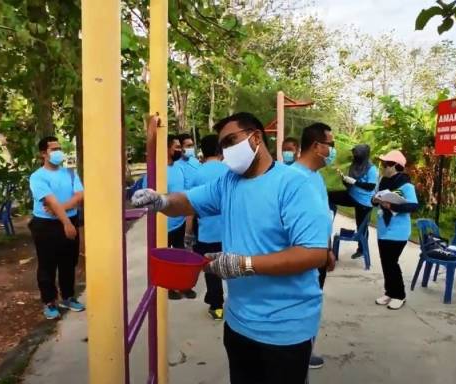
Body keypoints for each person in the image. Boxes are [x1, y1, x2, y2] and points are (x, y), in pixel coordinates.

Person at [132, 112, 331, 384]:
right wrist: (162, 202)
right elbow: (188, 201)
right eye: (222, 146)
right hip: (238, 322)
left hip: (284, 328)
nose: (226, 151)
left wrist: (244, 264)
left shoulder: (293, 184)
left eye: (231, 141)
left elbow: (314, 253)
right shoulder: (228, 183)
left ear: (256, 138)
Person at [290, 122, 337, 369]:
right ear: (317, 146)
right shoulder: (293, 179)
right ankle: (298, 355)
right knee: (299, 306)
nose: (333, 150)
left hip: (317, 256)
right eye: (331, 144)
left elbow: (320, 219)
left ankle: (305, 351)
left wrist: (326, 249)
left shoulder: (316, 177)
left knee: (311, 306)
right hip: (301, 260)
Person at [29, 136, 85, 319]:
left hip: (69, 218)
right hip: (46, 226)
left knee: (69, 262)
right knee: (47, 265)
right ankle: (49, 302)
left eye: (59, 147)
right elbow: (49, 200)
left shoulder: (70, 173)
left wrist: (62, 209)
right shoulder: (38, 177)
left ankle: (68, 297)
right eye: (54, 149)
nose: (59, 151)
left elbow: (80, 196)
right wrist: (66, 223)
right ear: (43, 153)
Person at [143, 135, 196, 300]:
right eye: (176, 147)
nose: (180, 150)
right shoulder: (155, 172)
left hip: (179, 222)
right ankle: (169, 287)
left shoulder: (179, 168)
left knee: (182, 256)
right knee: (165, 258)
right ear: (166, 149)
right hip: (162, 224)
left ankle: (184, 286)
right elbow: (147, 198)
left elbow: (187, 193)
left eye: (180, 147)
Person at [372, 150, 419, 310]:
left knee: (392, 262)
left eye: (386, 164)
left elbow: (413, 205)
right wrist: (375, 199)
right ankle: (389, 292)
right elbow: (373, 197)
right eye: (383, 164)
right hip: (383, 228)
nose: (383, 167)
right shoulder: (382, 181)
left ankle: (400, 295)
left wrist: (392, 205)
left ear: (396, 166)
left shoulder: (406, 185)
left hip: (398, 231)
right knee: (385, 262)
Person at [188, 134, 228, 321]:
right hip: (230, 231)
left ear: (202, 151)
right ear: (221, 150)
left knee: (212, 270)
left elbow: (191, 206)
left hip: (206, 232)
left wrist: (189, 231)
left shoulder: (197, 174)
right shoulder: (230, 171)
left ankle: (217, 306)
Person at [328, 144, 378, 259]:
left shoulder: (371, 168)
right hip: (351, 195)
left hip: (364, 202)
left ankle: (362, 249)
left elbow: (371, 186)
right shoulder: (354, 165)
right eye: (354, 153)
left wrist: (355, 182)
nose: (355, 156)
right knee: (330, 196)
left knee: (361, 226)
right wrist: (345, 180)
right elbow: (350, 183)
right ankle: (329, 218)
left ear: (363, 155)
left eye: (357, 154)